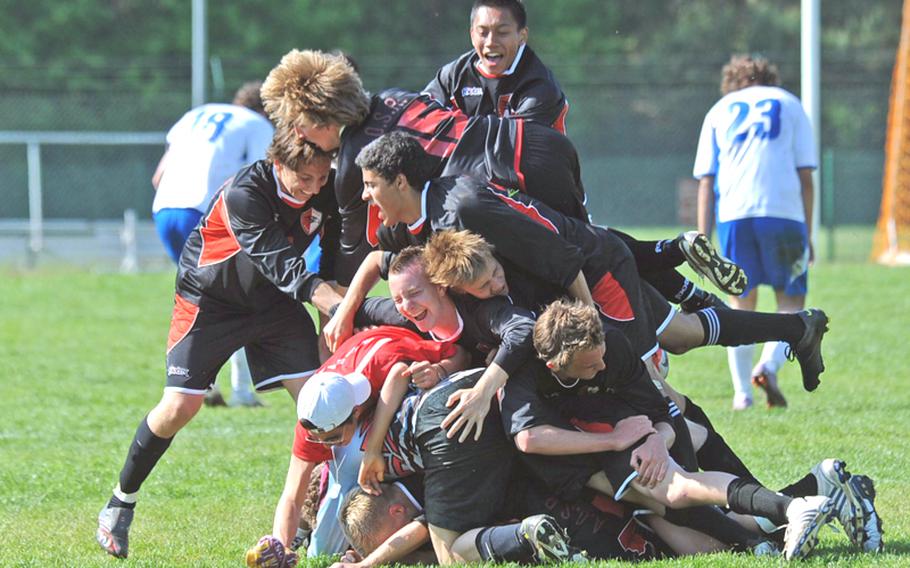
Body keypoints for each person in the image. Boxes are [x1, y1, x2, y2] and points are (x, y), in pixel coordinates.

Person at [261, 49, 740, 310]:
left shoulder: (353, 161)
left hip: (509, 170)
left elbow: (354, 253)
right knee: (583, 239)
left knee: (582, 254)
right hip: (533, 143)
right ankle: (678, 263)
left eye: (297, 121)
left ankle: (671, 304)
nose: (297, 133)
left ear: (320, 117)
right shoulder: (390, 96)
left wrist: (336, 298)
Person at [95, 128, 344, 559]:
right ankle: (120, 502)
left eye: (322, 179)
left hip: (272, 303)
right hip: (210, 300)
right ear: (277, 164)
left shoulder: (325, 192)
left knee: (322, 406)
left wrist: (331, 325)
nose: (314, 189)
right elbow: (278, 261)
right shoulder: (246, 192)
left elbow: (334, 257)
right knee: (180, 407)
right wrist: (338, 303)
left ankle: (307, 521)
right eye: (305, 178)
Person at [246, 325, 466, 562]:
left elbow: (460, 354)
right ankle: (312, 522)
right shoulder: (314, 415)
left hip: (392, 357)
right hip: (361, 375)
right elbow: (291, 494)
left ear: (357, 411)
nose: (325, 445)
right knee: (322, 551)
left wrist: (439, 371)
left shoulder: (387, 358)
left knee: (352, 456)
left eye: (332, 438)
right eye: (316, 438)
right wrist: (280, 544)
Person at [693, 54, 818, 410]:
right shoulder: (791, 104)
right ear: (770, 78)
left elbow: (706, 181)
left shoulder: (720, 110)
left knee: (739, 304)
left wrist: (702, 240)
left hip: (735, 215)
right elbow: (806, 177)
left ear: (732, 82)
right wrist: (807, 233)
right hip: (784, 215)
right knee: (790, 302)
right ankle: (769, 365)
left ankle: (741, 395)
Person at [151, 81, 274, 408]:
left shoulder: (196, 115)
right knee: (236, 298)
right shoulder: (257, 124)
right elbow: (258, 176)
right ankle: (243, 390)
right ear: (266, 110)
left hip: (165, 209)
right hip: (207, 212)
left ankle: (200, 382)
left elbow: (158, 176)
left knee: (198, 298)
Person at [423, 0, 569, 132]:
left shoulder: (540, 86)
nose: (491, 42)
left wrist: (453, 128)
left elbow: (513, 147)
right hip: (466, 160)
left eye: (502, 33)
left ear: (522, 36)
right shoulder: (454, 75)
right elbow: (419, 116)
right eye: (483, 33)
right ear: (472, 35)